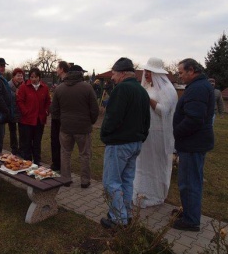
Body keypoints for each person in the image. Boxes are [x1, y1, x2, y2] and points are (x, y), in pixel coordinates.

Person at [100, 57, 150, 228]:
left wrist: (105, 135)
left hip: (119, 144)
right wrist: (141, 137)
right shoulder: (142, 91)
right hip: (135, 143)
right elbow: (147, 119)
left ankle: (118, 219)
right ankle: (126, 214)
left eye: (113, 73)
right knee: (127, 180)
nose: (112, 77)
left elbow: (112, 118)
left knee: (111, 182)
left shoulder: (122, 89)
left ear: (121, 73)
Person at [172, 58, 214, 232]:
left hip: (192, 144)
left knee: (189, 183)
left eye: (181, 72)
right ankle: (189, 212)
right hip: (194, 143)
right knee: (190, 181)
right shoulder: (199, 86)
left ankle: (191, 220)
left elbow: (194, 119)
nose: (179, 76)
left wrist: (176, 132)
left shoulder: (197, 89)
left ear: (191, 70)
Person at [133, 57, 178, 208]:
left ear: (158, 74)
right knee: (143, 162)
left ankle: (156, 193)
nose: (146, 74)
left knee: (156, 163)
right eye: (146, 71)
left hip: (159, 133)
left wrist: (148, 100)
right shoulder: (148, 88)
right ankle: (141, 189)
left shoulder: (167, 90)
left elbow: (164, 111)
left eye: (150, 72)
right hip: (146, 131)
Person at [51, 65, 99, 188]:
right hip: (83, 128)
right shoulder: (87, 87)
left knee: (65, 153)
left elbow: (54, 110)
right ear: (80, 73)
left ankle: (66, 179)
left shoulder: (60, 88)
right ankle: (85, 180)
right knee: (84, 154)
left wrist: (62, 121)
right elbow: (94, 109)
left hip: (66, 127)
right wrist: (90, 122)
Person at [17, 67, 51, 165]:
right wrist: (25, 111)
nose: (33, 79)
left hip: (39, 120)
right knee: (27, 142)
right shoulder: (24, 87)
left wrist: (46, 111)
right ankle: (28, 161)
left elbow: (48, 101)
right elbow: (20, 100)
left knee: (37, 142)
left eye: (35, 77)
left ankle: (37, 161)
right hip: (27, 120)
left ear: (39, 77)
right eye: (31, 77)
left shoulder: (44, 88)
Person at [50, 61, 69, 171]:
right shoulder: (61, 82)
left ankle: (59, 164)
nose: (56, 70)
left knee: (60, 141)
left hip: (60, 117)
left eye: (57, 68)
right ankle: (57, 163)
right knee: (57, 141)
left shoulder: (65, 83)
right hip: (59, 116)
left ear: (62, 69)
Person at [8, 68, 24, 155]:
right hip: (12, 111)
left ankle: (21, 149)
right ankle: (14, 148)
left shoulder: (24, 85)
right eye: (18, 75)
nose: (20, 77)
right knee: (12, 131)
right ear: (13, 76)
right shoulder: (8, 85)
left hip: (21, 111)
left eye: (21, 75)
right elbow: (7, 97)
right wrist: (16, 94)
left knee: (22, 131)